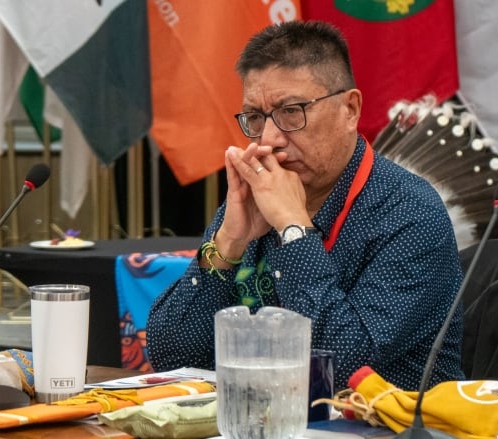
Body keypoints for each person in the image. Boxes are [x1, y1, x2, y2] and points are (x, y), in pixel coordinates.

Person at [146, 20, 464, 391]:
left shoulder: (410, 213)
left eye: (291, 111)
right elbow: (172, 357)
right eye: (255, 117)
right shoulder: (257, 198)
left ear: (350, 109)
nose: (269, 139)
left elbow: (344, 370)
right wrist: (228, 243)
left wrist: (294, 230)